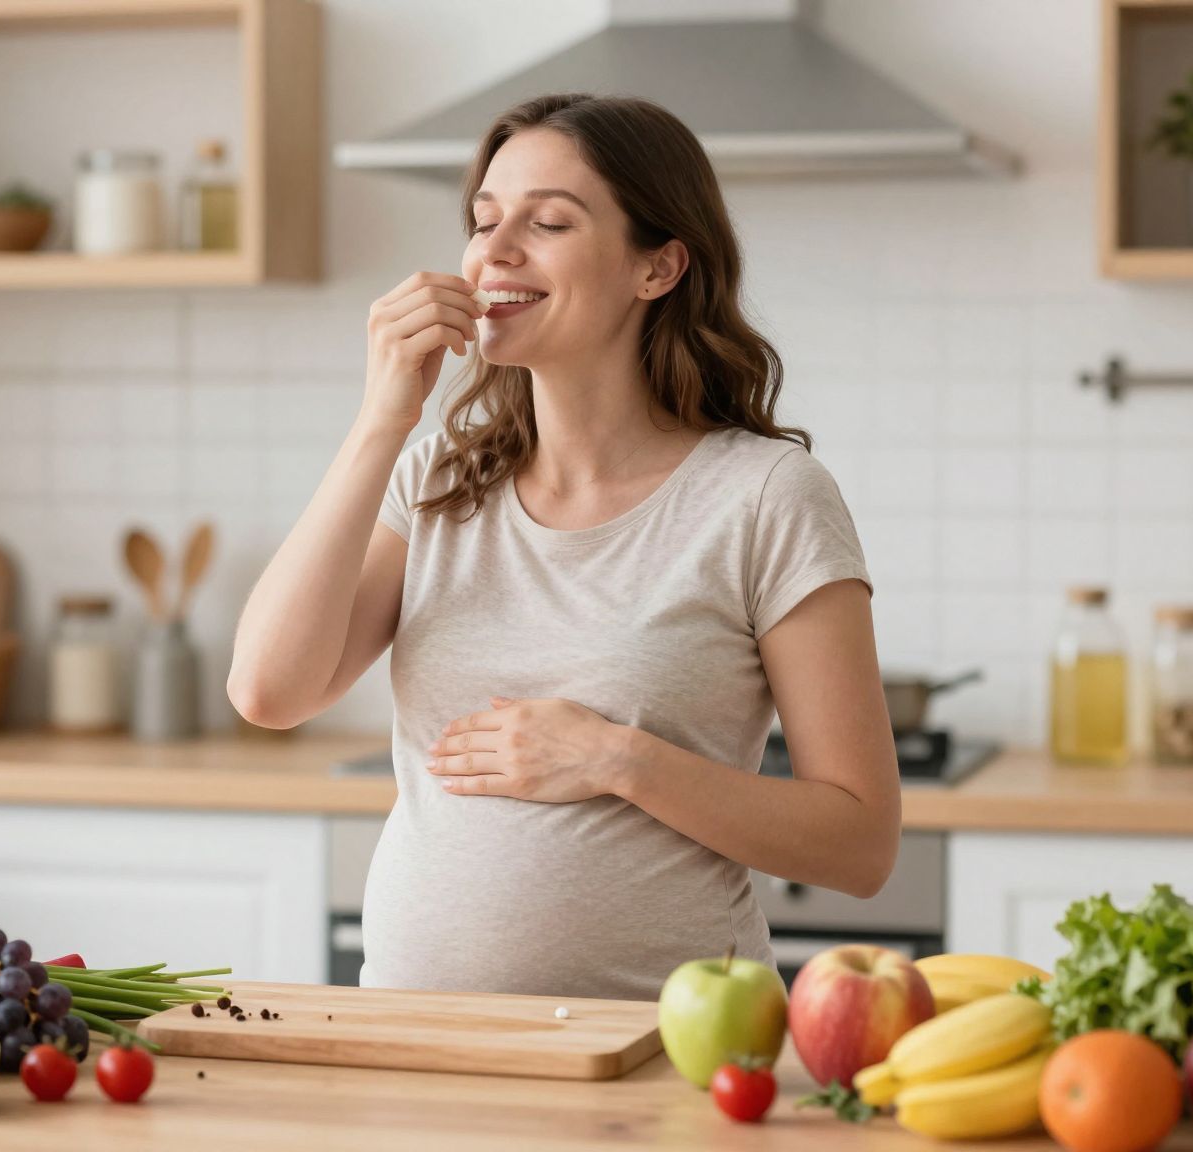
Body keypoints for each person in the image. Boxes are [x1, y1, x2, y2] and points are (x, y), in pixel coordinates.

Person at [229, 93, 899, 1001]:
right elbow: (268, 692)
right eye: (483, 221)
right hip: (413, 1037)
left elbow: (861, 845)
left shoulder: (765, 496)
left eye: (547, 223)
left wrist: (618, 760)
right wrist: (383, 419)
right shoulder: (436, 479)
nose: (495, 251)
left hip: (664, 1049)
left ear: (657, 267)